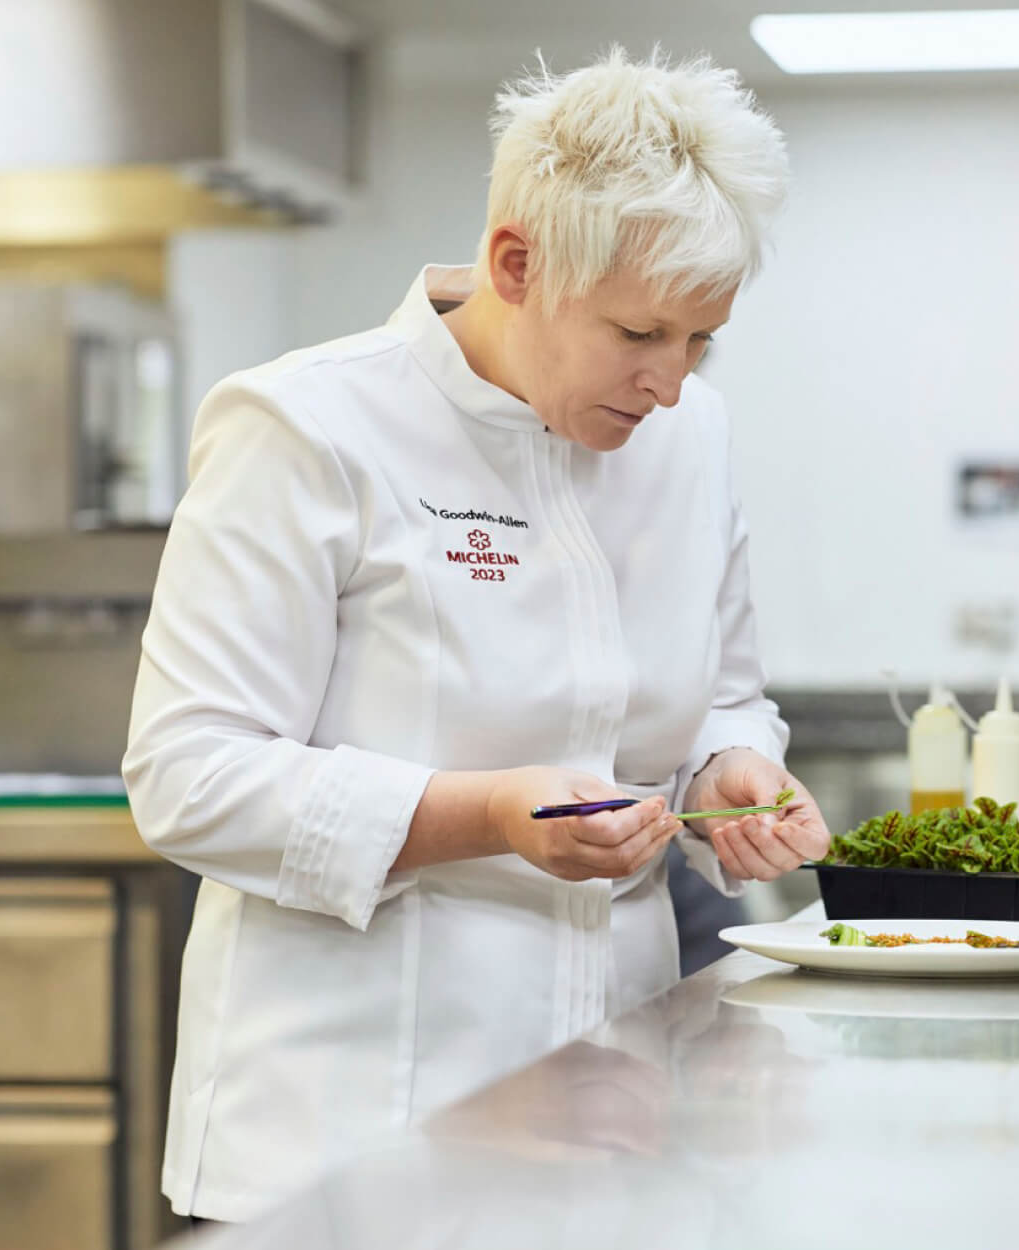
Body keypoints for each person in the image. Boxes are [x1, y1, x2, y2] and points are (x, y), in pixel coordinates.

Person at [123, 46, 831, 1223]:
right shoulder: (308, 427)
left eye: (699, 340)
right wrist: (489, 812)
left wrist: (727, 769)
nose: (667, 383)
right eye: (638, 332)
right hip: (345, 1132)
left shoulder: (690, 437)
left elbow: (723, 692)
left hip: (614, 1105)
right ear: (516, 262)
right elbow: (188, 774)